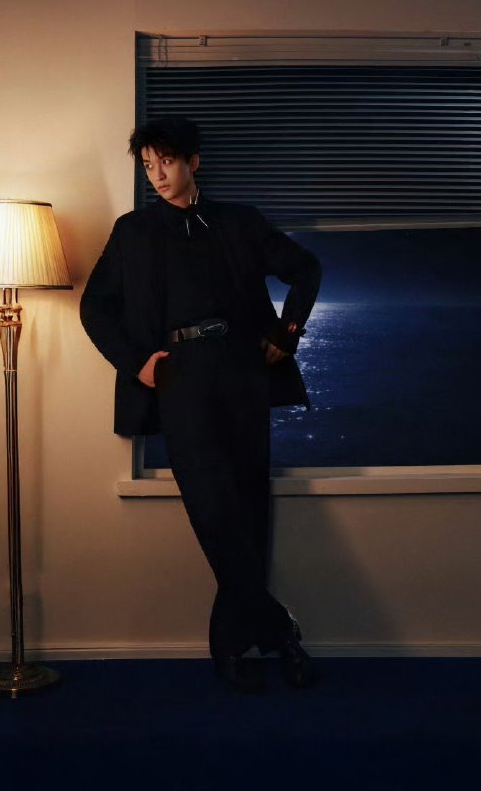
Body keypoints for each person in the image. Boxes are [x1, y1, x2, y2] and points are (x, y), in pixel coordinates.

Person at [80, 116, 322, 693]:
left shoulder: (240, 221)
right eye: (147, 166)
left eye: (166, 161)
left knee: (247, 511)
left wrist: (286, 334)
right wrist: (137, 362)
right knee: (213, 510)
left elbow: (306, 270)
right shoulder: (133, 231)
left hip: (243, 370)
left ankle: (230, 646)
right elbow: (95, 307)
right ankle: (281, 632)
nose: (157, 174)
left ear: (194, 161)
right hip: (179, 376)